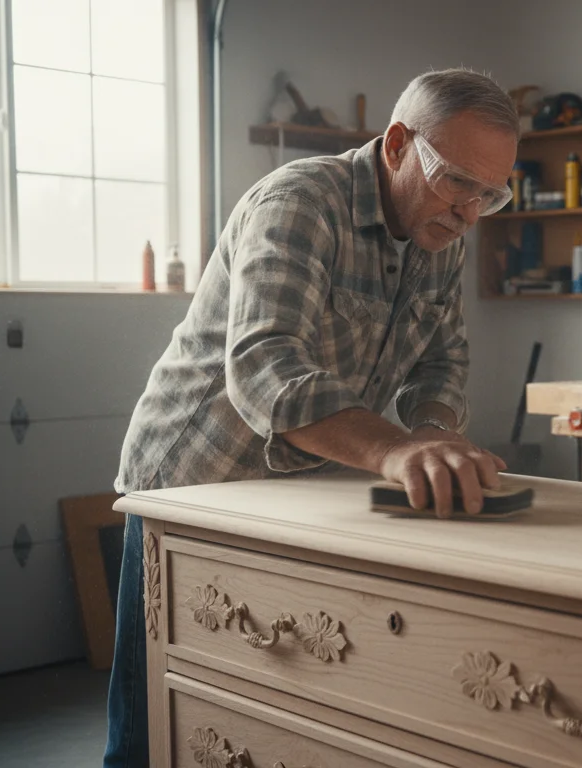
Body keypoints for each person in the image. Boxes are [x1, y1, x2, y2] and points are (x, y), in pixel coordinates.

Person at [102, 67, 520, 767]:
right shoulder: (300, 203)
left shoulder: (443, 233)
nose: (470, 211)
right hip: (193, 484)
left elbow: (441, 367)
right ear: (395, 145)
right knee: (155, 726)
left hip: (300, 486)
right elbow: (265, 368)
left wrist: (435, 434)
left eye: (490, 194)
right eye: (455, 180)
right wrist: (395, 452)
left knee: (266, 711)